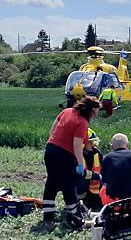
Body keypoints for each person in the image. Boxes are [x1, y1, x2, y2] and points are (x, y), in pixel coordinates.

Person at [42, 96, 100, 226]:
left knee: (51, 182)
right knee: (68, 184)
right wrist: (80, 163)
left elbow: (54, 126)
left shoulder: (67, 111)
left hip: (51, 150)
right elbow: (77, 145)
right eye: (96, 112)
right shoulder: (82, 122)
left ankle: (48, 217)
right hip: (65, 155)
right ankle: (75, 217)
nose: (96, 115)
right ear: (90, 110)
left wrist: (50, 143)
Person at [100, 133, 131, 205]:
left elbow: (105, 180)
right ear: (127, 145)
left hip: (115, 199)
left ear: (112, 147)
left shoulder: (107, 158)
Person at [76, 128, 103, 210]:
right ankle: (79, 201)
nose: (93, 144)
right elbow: (78, 173)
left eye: (93, 141)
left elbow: (102, 166)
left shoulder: (96, 153)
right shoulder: (78, 154)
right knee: (80, 183)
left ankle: (94, 200)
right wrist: (94, 175)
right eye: (90, 142)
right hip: (81, 181)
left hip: (94, 184)